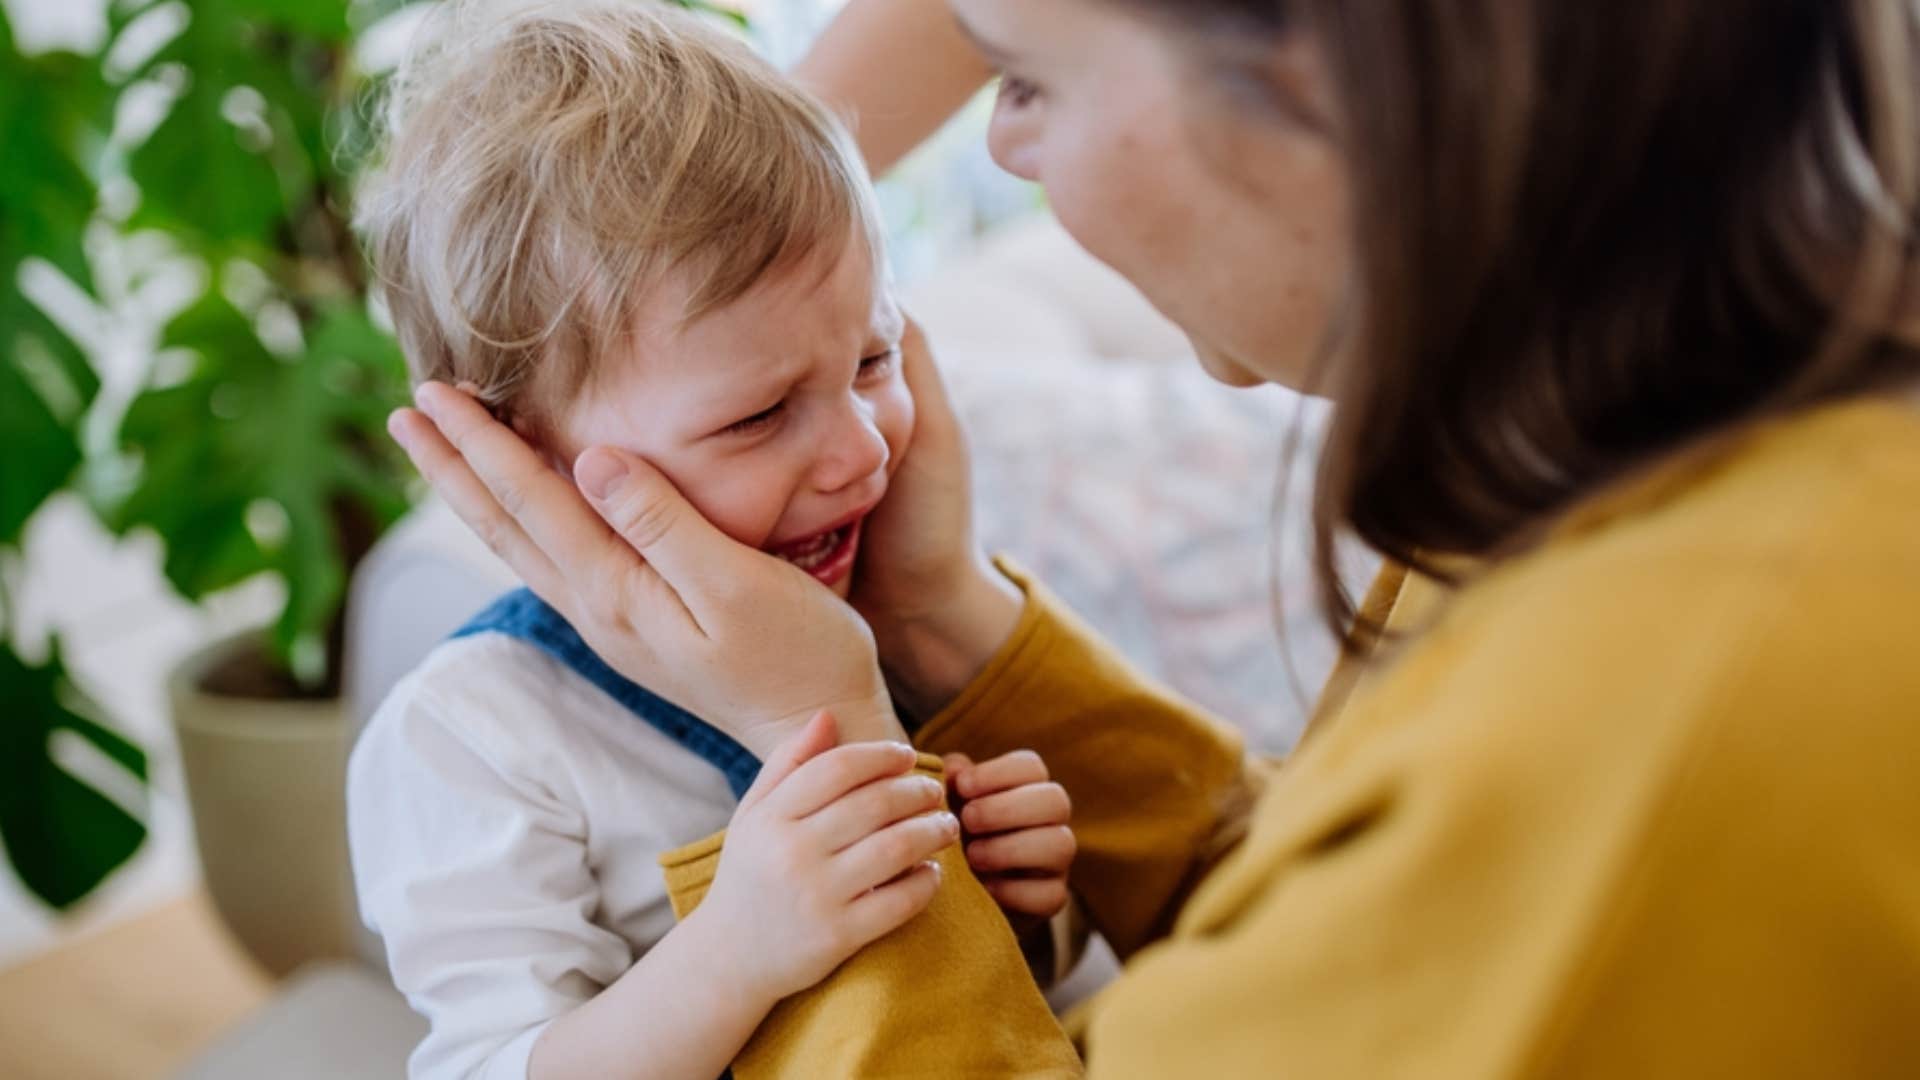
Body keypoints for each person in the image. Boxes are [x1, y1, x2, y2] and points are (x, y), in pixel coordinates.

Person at [387, 0, 1920, 1075]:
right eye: (748, 414)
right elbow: (1311, 940)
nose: (1001, 148)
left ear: (1328, 73)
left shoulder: (1657, 717)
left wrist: (832, 741)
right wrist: (943, 641)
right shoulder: (1609, 471)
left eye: (1026, 74)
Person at [345, 4, 1078, 1077]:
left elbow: (992, 1013)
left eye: (872, 360)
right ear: (519, 455)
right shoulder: (474, 735)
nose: (860, 453)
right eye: (756, 416)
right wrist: (735, 954)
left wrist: (1011, 908)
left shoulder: (865, 599)